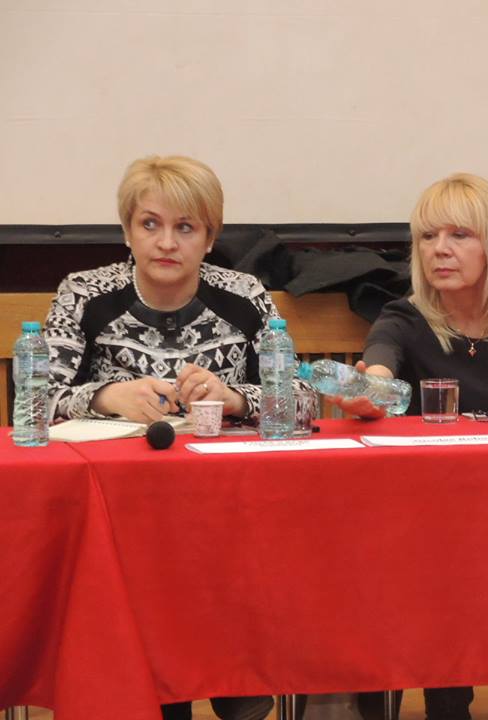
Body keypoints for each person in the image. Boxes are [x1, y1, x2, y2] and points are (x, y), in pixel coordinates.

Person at [43, 155, 281, 720]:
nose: (167, 242)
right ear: (127, 231)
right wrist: (105, 396)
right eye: (150, 224)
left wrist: (235, 398)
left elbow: (298, 400)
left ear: (209, 237)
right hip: (121, 513)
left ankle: (237, 687)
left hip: (224, 515)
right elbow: (30, 403)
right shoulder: (83, 293)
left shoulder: (245, 294)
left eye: (185, 227)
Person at [341, 172, 488, 720]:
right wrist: (370, 388)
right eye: (427, 237)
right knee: (435, 568)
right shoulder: (405, 318)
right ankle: (448, 707)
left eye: (458, 235)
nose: (439, 250)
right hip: (434, 515)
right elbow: (380, 366)